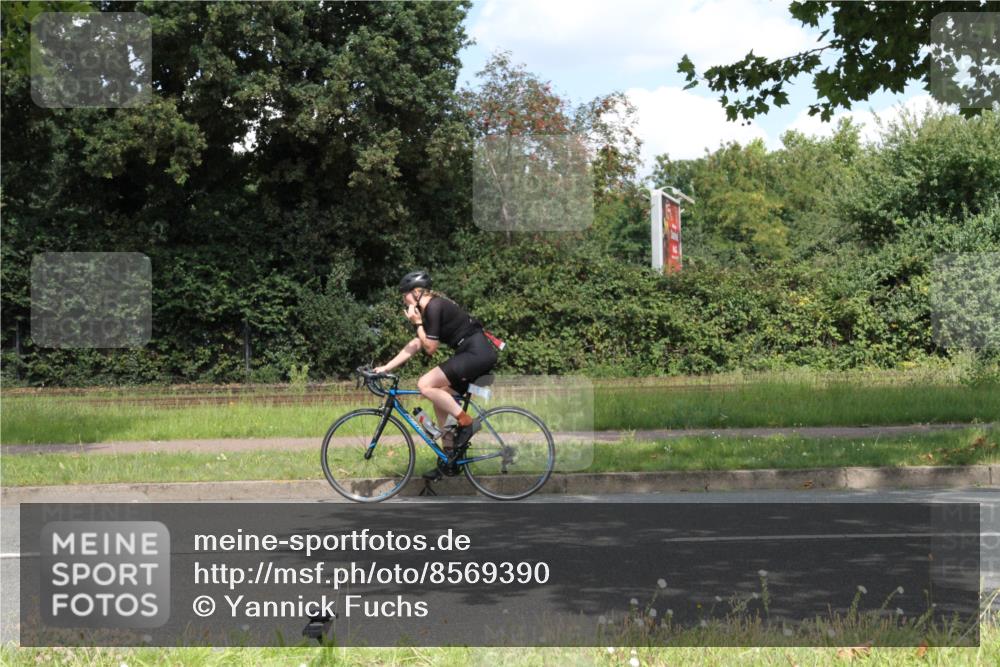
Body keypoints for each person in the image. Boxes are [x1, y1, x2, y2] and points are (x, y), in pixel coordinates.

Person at [374, 271, 498, 479]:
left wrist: (417, 323)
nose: (403, 300)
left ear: (416, 292)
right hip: (473, 353)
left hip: (477, 353)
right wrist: (386, 368)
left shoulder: (434, 307)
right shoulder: (429, 309)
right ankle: (450, 458)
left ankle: (467, 423)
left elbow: (430, 348)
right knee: (438, 395)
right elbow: (416, 344)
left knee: (425, 384)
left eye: (404, 295)